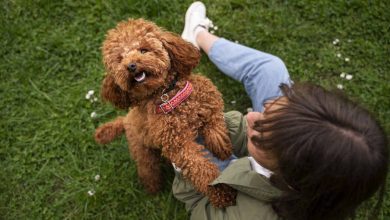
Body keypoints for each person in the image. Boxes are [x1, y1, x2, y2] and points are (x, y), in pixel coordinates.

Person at [172, 2, 389, 220]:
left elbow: (199, 208)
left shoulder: (249, 214)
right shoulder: (317, 174)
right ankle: (197, 35)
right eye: (269, 111)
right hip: (272, 164)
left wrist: (185, 163)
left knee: (187, 136)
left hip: (229, 183)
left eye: (261, 129)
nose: (250, 115)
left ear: (289, 174)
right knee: (270, 69)